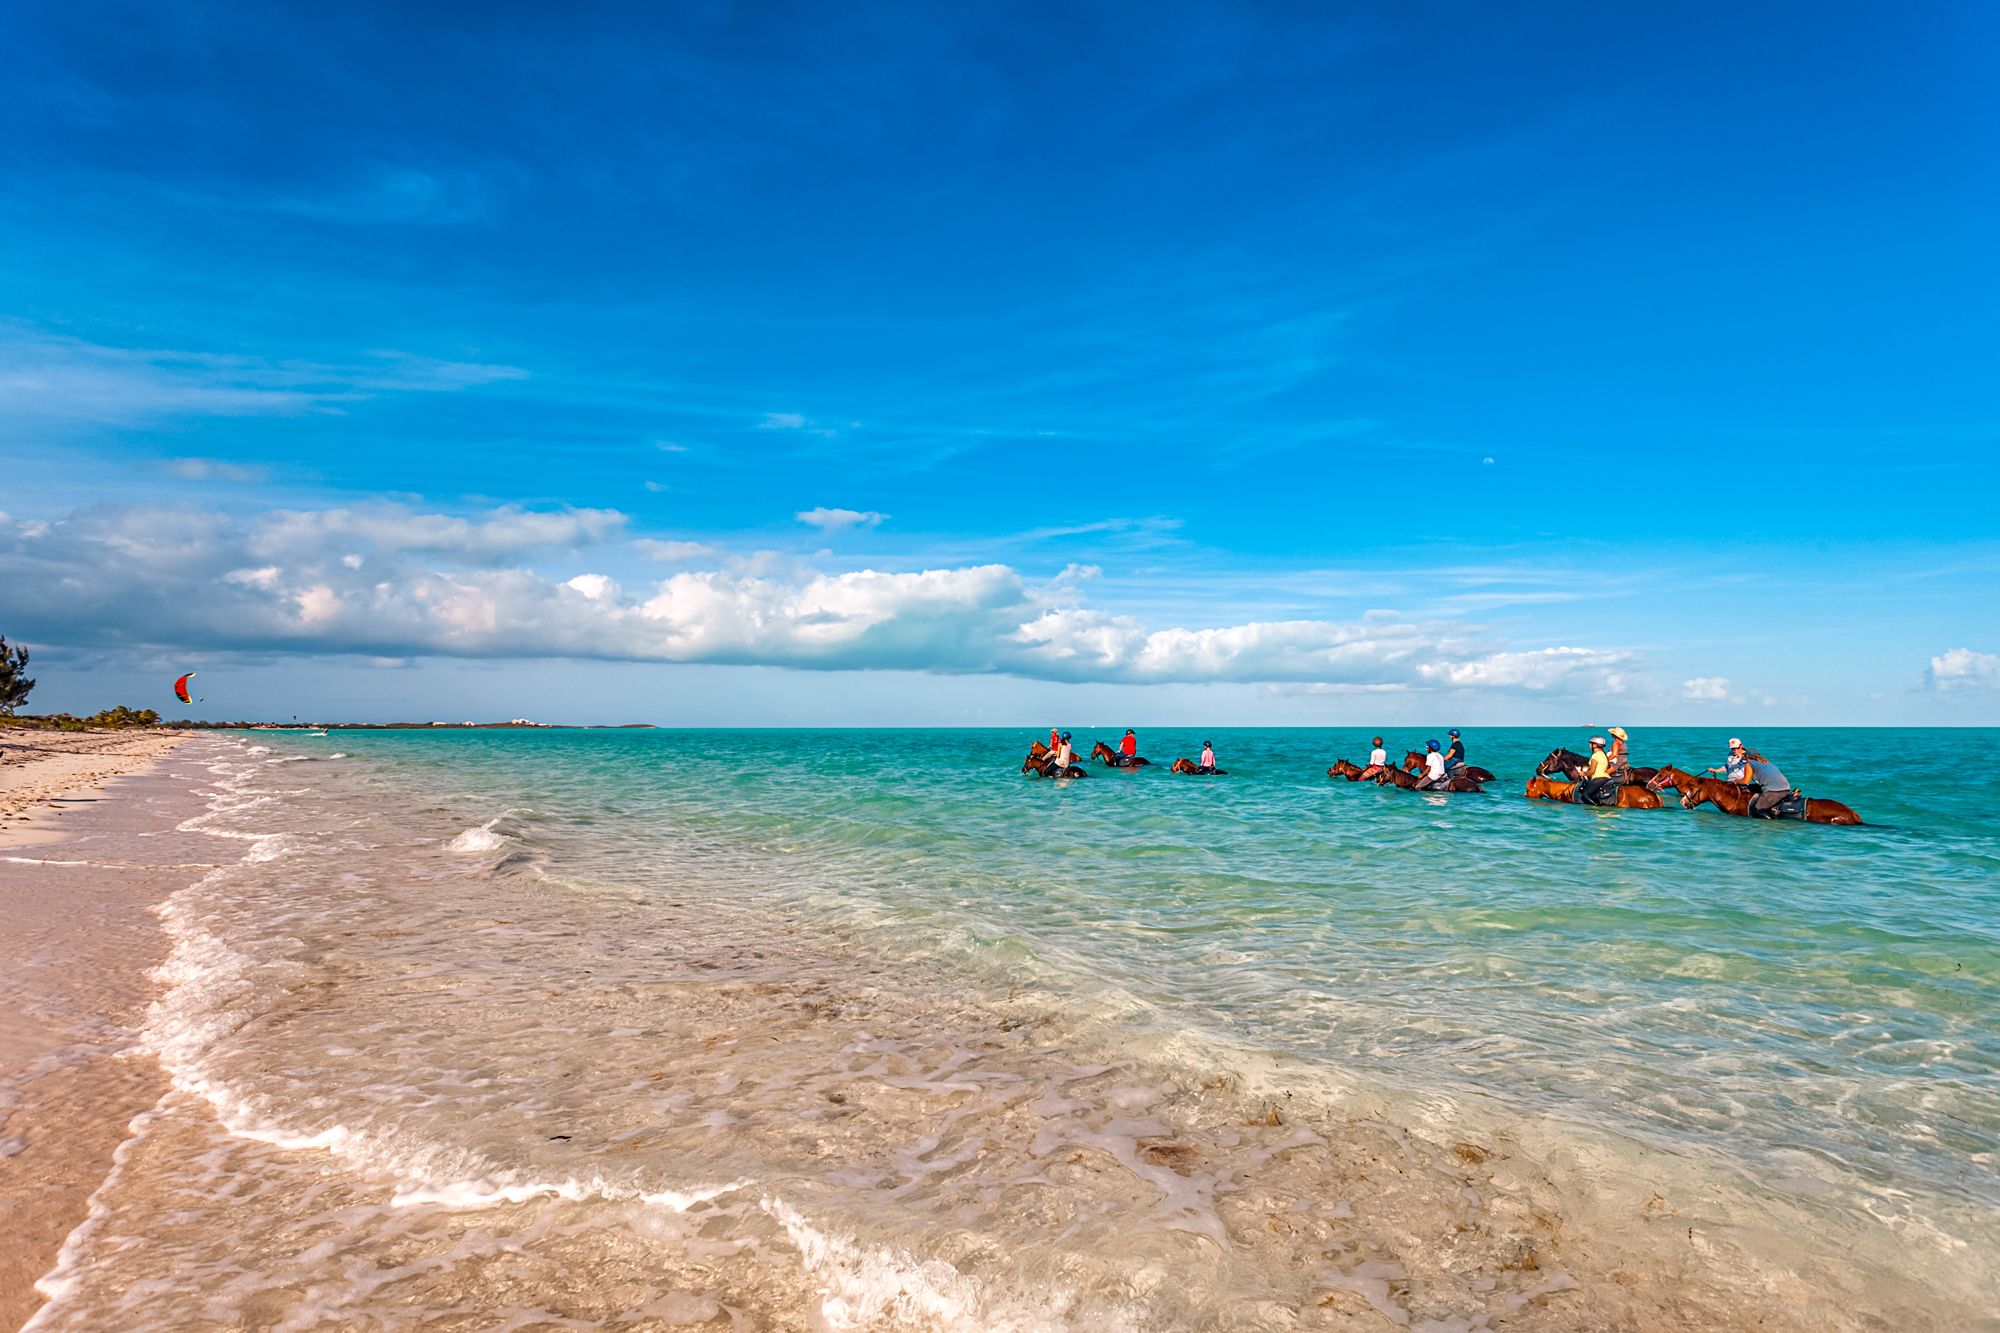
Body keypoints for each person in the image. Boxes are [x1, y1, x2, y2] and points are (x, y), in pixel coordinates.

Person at [1743, 751, 1795, 817]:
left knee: (1757, 809)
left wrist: (1734, 781)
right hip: (1785, 789)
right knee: (1751, 787)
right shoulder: (1767, 763)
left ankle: (1773, 823)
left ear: (1747, 757)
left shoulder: (1749, 764)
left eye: (1744, 756)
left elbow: (1745, 781)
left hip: (1774, 791)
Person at [1576, 736, 1617, 805]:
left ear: (1595, 745)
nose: (1589, 745)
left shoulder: (1596, 755)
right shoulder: (1603, 754)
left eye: (1591, 743)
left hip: (1598, 778)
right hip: (1606, 778)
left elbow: (1592, 771)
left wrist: (1583, 773)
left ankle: (1596, 807)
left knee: (1585, 794)